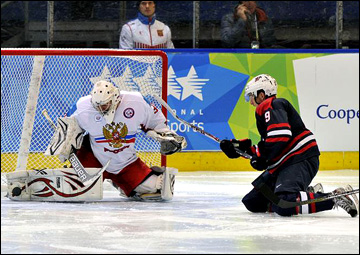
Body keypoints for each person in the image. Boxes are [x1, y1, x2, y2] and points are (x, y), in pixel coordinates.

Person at [220, 74, 359, 217]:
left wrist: (261, 156)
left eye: (251, 96)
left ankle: (335, 197)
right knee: (253, 202)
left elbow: (280, 136)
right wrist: (238, 149)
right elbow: (271, 145)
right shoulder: (268, 110)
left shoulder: (271, 105)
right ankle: (307, 195)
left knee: (284, 204)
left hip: (299, 158)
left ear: (261, 95)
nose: (250, 102)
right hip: (285, 163)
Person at [48, 80, 186, 201]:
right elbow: (67, 128)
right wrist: (64, 143)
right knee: (73, 190)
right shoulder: (83, 106)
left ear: (114, 97)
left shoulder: (135, 101)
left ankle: (122, 182)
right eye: (98, 105)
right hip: (93, 159)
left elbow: (155, 123)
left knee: (157, 188)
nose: (101, 108)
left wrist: (166, 135)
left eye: (105, 104)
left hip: (126, 162)